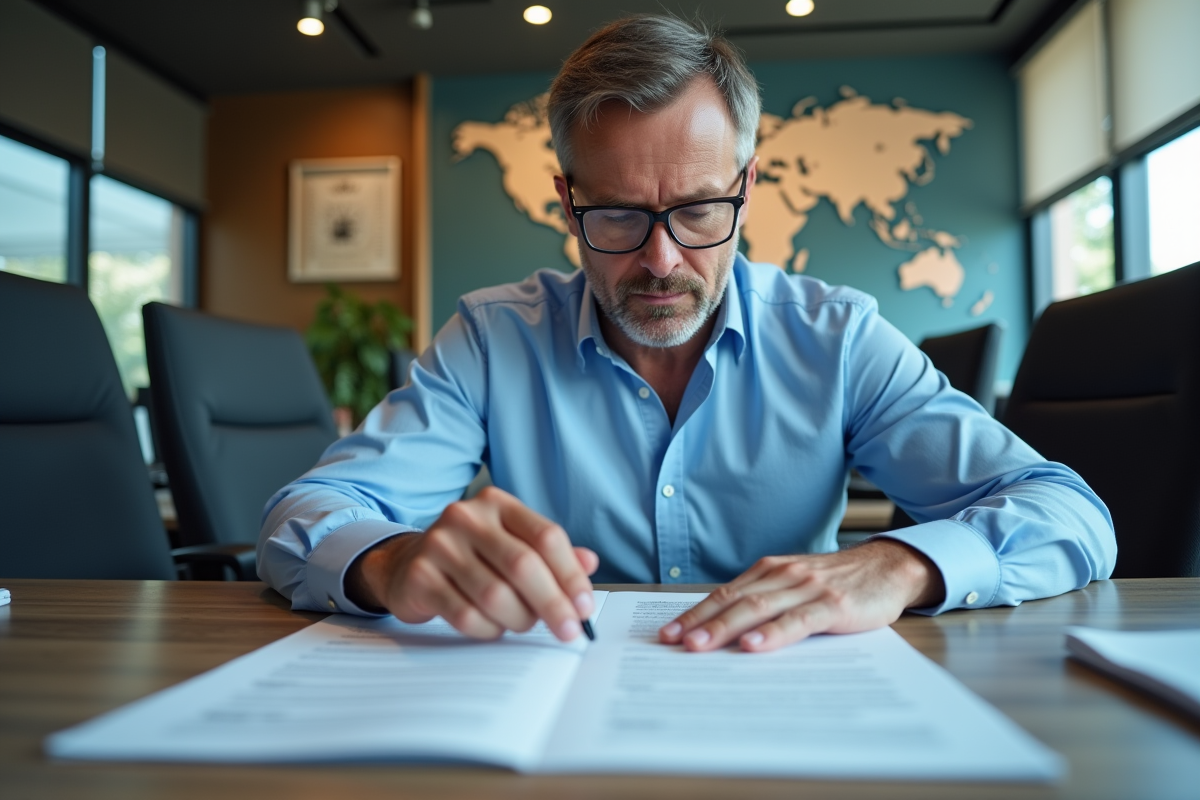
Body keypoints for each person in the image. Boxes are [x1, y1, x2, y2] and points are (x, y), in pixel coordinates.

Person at [259, 15, 1115, 654]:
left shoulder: (839, 336)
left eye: (700, 210)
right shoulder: (492, 338)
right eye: (620, 215)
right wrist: (390, 562)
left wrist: (901, 566)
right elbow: (303, 517)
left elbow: (1069, 513)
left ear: (745, 185)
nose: (662, 261)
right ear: (567, 202)